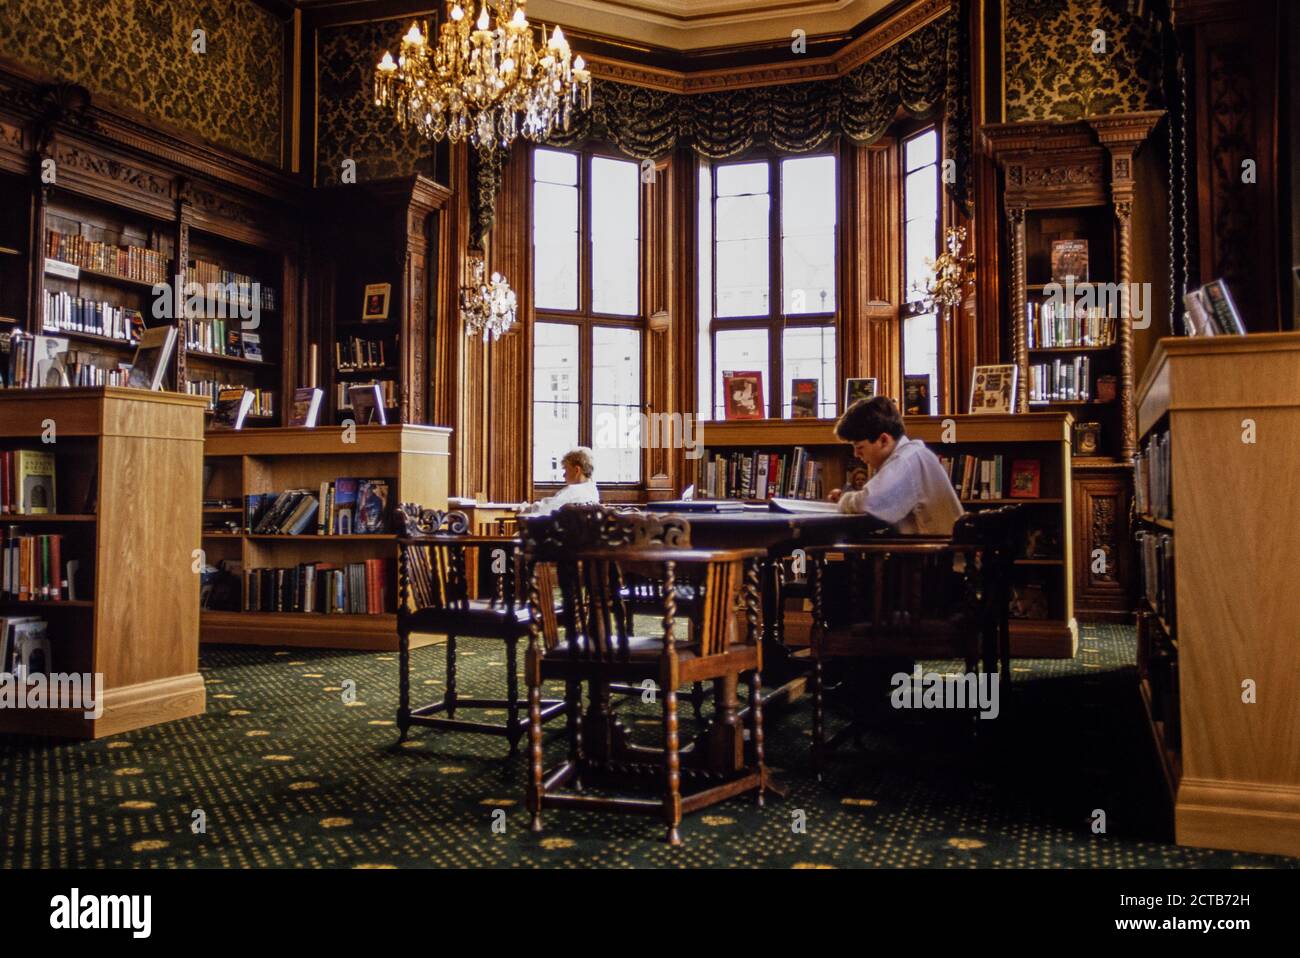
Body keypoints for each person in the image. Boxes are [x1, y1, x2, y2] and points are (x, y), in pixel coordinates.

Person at [828, 396, 963, 536]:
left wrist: (843, 500)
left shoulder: (906, 460)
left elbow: (870, 502)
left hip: (934, 554)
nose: (856, 454)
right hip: (935, 551)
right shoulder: (914, 454)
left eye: (859, 447)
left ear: (884, 440)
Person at [524, 447, 600, 515]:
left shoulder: (572, 491)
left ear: (576, 470)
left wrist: (524, 508)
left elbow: (546, 509)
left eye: (566, 470)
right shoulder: (593, 492)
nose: (564, 475)